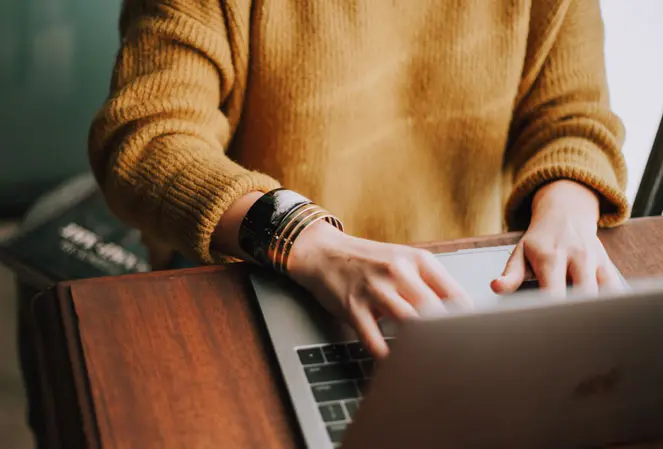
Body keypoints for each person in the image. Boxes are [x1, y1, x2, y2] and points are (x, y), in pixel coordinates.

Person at [88, 0, 629, 358]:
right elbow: (147, 139)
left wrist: (568, 207)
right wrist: (309, 241)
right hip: (261, 280)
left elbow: (573, 117)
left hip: (461, 292)